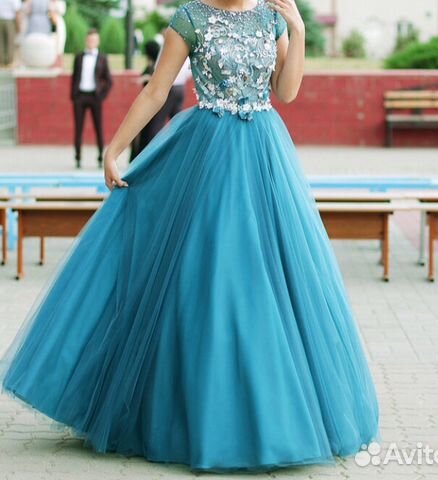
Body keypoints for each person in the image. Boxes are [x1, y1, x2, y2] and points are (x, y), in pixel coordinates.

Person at [0, 0, 380, 473]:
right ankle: (198, 415)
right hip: (206, 157)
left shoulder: (272, 17)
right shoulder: (190, 18)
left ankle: (273, 417)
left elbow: (286, 91)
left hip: (264, 156)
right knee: (208, 275)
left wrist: (298, 31)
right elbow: (156, 91)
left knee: (267, 278)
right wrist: (115, 148)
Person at [70, 28, 113, 169]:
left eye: (94, 40)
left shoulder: (102, 58)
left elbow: (109, 80)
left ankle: (101, 156)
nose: (91, 42)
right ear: (86, 40)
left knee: (98, 127)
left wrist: (102, 95)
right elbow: (74, 77)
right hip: (80, 96)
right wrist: (73, 95)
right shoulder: (79, 57)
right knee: (78, 128)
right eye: (89, 39)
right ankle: (78, 157)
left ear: (98, 41)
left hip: (95, 97)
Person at [129, 39, 161, 162]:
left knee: (148, 132)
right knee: (141, 132)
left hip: (150, 105)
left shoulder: (156, 66)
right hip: (146, 104)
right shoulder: (150, 65)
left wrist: (147, 78)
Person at [0, 0, 21, 67]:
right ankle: (9, 62)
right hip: (9, 21)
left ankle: (2, 62)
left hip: (1, 20)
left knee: (1, 42)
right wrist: (18, 26)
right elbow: (17, 13)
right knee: (10, 42)